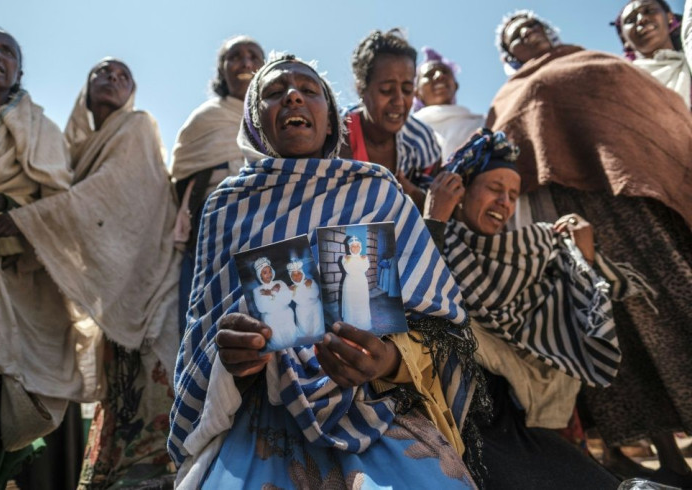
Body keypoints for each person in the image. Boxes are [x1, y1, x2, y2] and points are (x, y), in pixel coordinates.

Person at [169, 54, 488, 489]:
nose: (294, 96)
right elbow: (201, 337)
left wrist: (387, 360)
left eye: (310, 90)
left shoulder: (377, 190)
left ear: (331, 118)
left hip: (379, 406)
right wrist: (232, 361)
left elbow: (440, 326)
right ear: (254, 120)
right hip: (262, 413)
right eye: (275, 93)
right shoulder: (228, 206)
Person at [489, 11, 692, 487]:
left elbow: (650, 112)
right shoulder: (506, 97)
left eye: (531, 25)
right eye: (513, 34)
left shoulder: (593, 61)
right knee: (611, 328)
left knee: (668, 309)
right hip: (566, 221)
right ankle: (666, 456)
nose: (525, 34)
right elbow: (508, 168)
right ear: (507, 54)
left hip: (628, 203)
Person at [0, 58, 181, 488]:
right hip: (115, 300)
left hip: (152, 287)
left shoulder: (138, 127)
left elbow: (105, 198)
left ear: (131, 92)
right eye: (102, 72)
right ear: (86, 87)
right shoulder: (71, 154)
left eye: (123, 75)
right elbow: (79, 212)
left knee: (154, 394)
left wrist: (22, 220)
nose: (112, 78)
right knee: (121, 395)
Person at [425, 128, 647, 489]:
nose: (505, 203)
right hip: (455, 417)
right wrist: (434, 218)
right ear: (462, 189)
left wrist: (583, 256)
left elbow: (576, 311)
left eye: (512, 195)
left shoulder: (526, 252)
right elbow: (414, 301)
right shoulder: (432, 240)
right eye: (495, 188)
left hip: (515, 418)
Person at [0, 27, 73, 489]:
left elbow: (64, 207)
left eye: (7, 51)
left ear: (19, 71)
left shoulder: (41, 132)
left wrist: (11, 211)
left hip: (4, 284)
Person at [170, 35, 264, 333]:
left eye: (254, 55)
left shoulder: (278, 118)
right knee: (208, 328)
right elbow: (180, 174)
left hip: (268, 233)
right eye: (235, 56)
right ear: (222, 70)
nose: (246, 62)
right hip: (210, 241)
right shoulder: (205, 119)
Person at [340, 29, 442, 211]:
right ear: (361, 89)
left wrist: (412, 194)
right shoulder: (336, 136)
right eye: (387, 89)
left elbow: (437, 209)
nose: (399, 101)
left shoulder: (421, 141)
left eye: (407, 89)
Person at [614, 0, 691, 107]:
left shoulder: (688, 61)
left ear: (670, 17)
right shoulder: (617, 81)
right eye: (630, 20)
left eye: (649, 10)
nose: (641, 19)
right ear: (624, 39)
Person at [412, 47, 484, 160]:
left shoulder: (482, 123)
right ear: (416, 93)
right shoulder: (406, 130)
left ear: (455, 86)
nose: (439, 76)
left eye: (445, 72)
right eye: (429, 74)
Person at [251, 257, 297, 350]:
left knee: (293, 340)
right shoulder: (257, 290)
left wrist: (271, 293)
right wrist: (274, 293)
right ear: (260, 275)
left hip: (286, 314)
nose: (268, 274)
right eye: (265, 272)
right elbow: (262, 308)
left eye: (269, 271)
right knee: (278, 344)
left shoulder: (279, 282)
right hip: (271, 319)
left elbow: (287, 299)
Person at [340, 235, 372, 330]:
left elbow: (365, 268)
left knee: (362, 302)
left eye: (357, 246)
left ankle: (363, 324)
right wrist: (350, 260)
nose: (355, 248)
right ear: (349, 247)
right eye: (353, 246)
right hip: (350, 283)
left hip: (361, 282)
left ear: (360, 247)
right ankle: (350, 325)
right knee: (350, 302)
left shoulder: (364, 258)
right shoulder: (345, 258)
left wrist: (361, 261)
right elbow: (348, 270)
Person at [287, 259, 324, 338]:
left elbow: (315, 294)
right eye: (294, 275)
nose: (297, 277)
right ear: (291, 276)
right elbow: (300, 300)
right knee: (305, 330)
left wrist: (308, 287)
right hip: (302, 311)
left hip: (315, 308)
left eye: (299, 273)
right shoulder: (292, 288)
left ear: (302, 273)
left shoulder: (310, 281)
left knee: (317, 328)